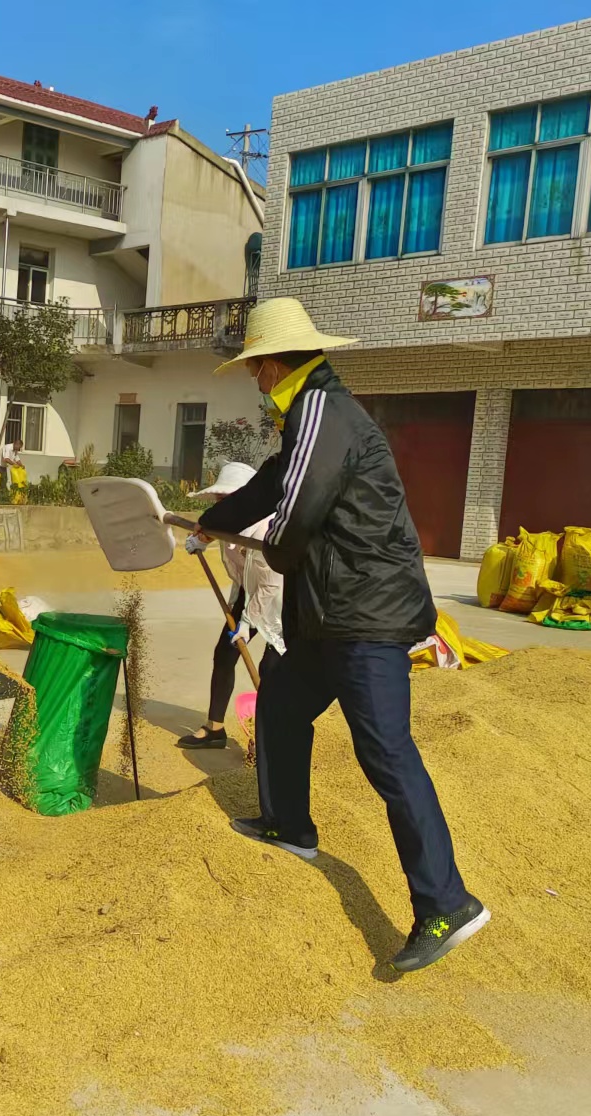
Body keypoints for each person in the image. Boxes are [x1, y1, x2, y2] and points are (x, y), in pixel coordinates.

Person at [195, 297, 487, 976]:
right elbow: (273, 484)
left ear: (272, 364)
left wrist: (259, 548)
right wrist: (216, 523)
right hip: (332, 615)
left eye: (254, 368)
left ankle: (447, 903)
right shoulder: (309, 417)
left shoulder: (324, 413)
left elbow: (294, 516)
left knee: (386, 752)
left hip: (367, 615)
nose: (253, 381)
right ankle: (289, 824)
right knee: (282, 705)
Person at [177, 462, 282, 749]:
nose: (223, 507)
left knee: (272, 664)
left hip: (283, 601)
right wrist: (203, 539)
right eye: (220, 501)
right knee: (224, 653)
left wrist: (248, 622)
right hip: (250, 594)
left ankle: (271, 738)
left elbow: (272, 584)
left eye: (229, 501)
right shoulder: (229, 527)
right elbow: (238, 566)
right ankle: (215, 729)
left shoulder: (266, 531)